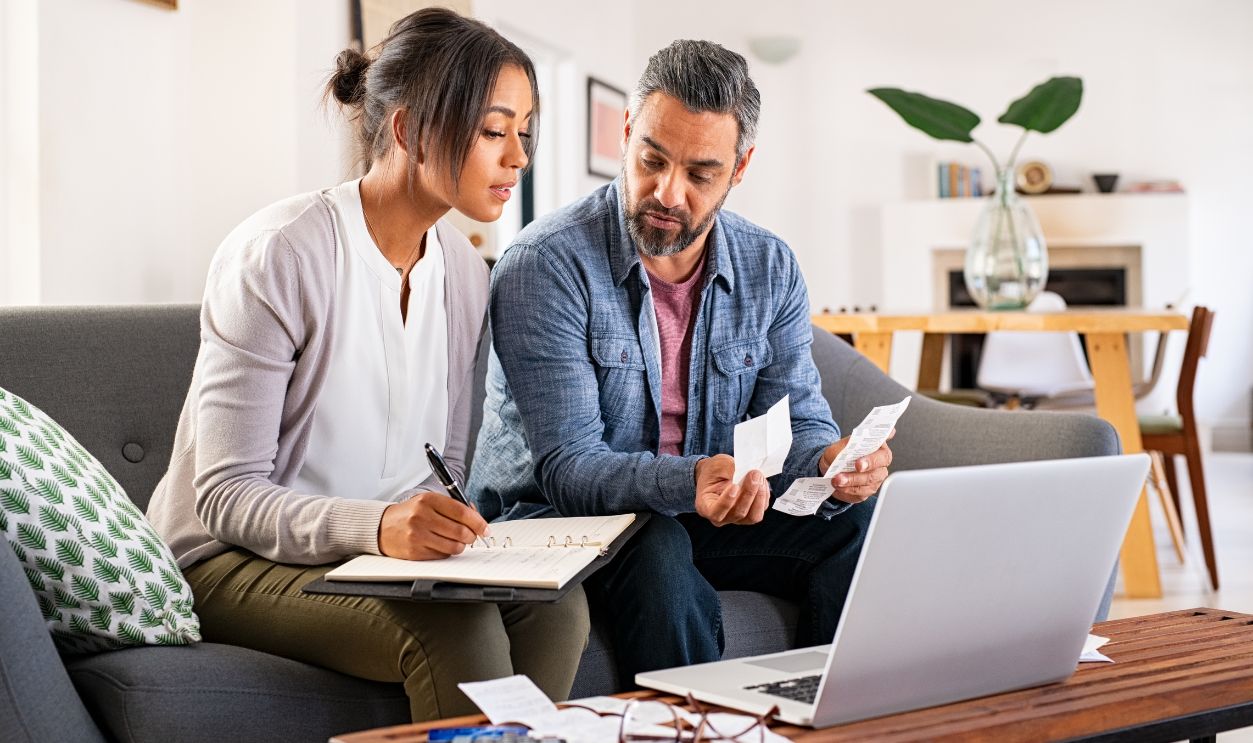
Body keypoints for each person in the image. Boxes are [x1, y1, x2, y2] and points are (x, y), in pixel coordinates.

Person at [146, 8, 588, 721]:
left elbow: (440, 463)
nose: (517, 158)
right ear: (410, 130)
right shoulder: (280, 253)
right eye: (493, 130)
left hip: (373, 558)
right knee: (457, 624)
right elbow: (224, 496)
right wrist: (380, 526)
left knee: (557, 607)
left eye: (524, 133)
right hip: (229, 560)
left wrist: (450, 531)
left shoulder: (467, 274)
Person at [467, 39, 893, 687]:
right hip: (552, 521)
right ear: (627, 134)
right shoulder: (546, 264)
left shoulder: (769, 266)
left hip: (695, 509)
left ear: (738, 168)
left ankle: (824, 720)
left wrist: (830, 461)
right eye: (651, 160)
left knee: (854, 524)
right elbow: (568, 469)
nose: (667, 192)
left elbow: (799, 418)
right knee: (658, 546)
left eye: (699, 174)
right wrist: (692, 478)